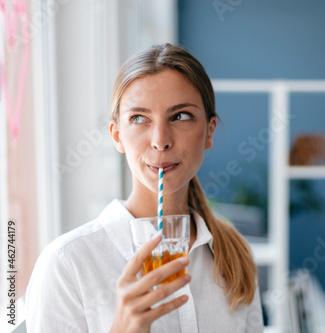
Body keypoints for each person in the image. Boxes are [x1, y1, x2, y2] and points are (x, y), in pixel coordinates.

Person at [25, 43, 264, 332]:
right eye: (139, 119)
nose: (160, 140)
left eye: (181, 116)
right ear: (117, 136)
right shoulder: (66, 265)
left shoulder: (237, 256)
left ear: (209, 131)